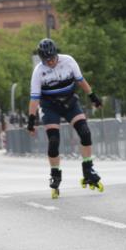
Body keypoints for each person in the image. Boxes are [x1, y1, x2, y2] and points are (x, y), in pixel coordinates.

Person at [26, 38, 104, 197]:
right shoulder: (39, 71)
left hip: (70, 103)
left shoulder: (68, 61)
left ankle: (88, 169)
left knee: (85, 132)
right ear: (42, 59)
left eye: (53, 58)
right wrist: (31, 121)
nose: (51, 62)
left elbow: (81, 81)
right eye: (47, 60)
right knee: (54, 140)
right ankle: (55, 174)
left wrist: (93, 97)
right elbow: (34, 98)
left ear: (56, 54)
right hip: (50, 106)